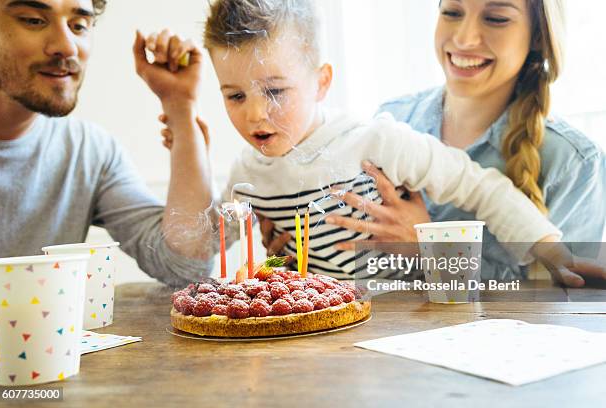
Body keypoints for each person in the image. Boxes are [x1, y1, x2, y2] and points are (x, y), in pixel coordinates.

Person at [157, 0, 579, 281]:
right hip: (326, 349)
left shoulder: (375, 140)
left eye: (275, 91)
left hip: (408, 327)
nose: (254, 114)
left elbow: (479, 186)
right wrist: (187, 141)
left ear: (321, 83)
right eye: (234, 96)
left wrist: (553, 254)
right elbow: (196, 244)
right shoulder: (247, 173)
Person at [321, 0, 606, 285]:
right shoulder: (393, 119)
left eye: (496, 18)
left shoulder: (575, 162)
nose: (463, 38)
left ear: (538, 36)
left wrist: (429, 248)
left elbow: (560, 305)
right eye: (452, 13)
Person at [0, 0, 212, 287]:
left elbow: (184, 267)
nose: (67, 46)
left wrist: (180, 107)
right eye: (33, 20)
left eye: (79, 26)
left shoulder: (88, 151)